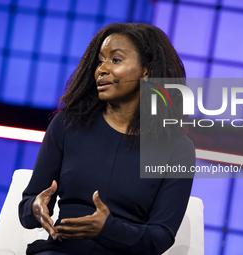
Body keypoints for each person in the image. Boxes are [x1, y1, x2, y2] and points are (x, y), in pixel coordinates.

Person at [19, 23, 195, 255]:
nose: (101, 69)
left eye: (116, 60)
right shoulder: (66, 124)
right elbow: (28, 206)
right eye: (100, 61)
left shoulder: (177, 148)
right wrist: (35, 207)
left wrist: (108, 229)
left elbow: (161, 236)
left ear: (146, 71)